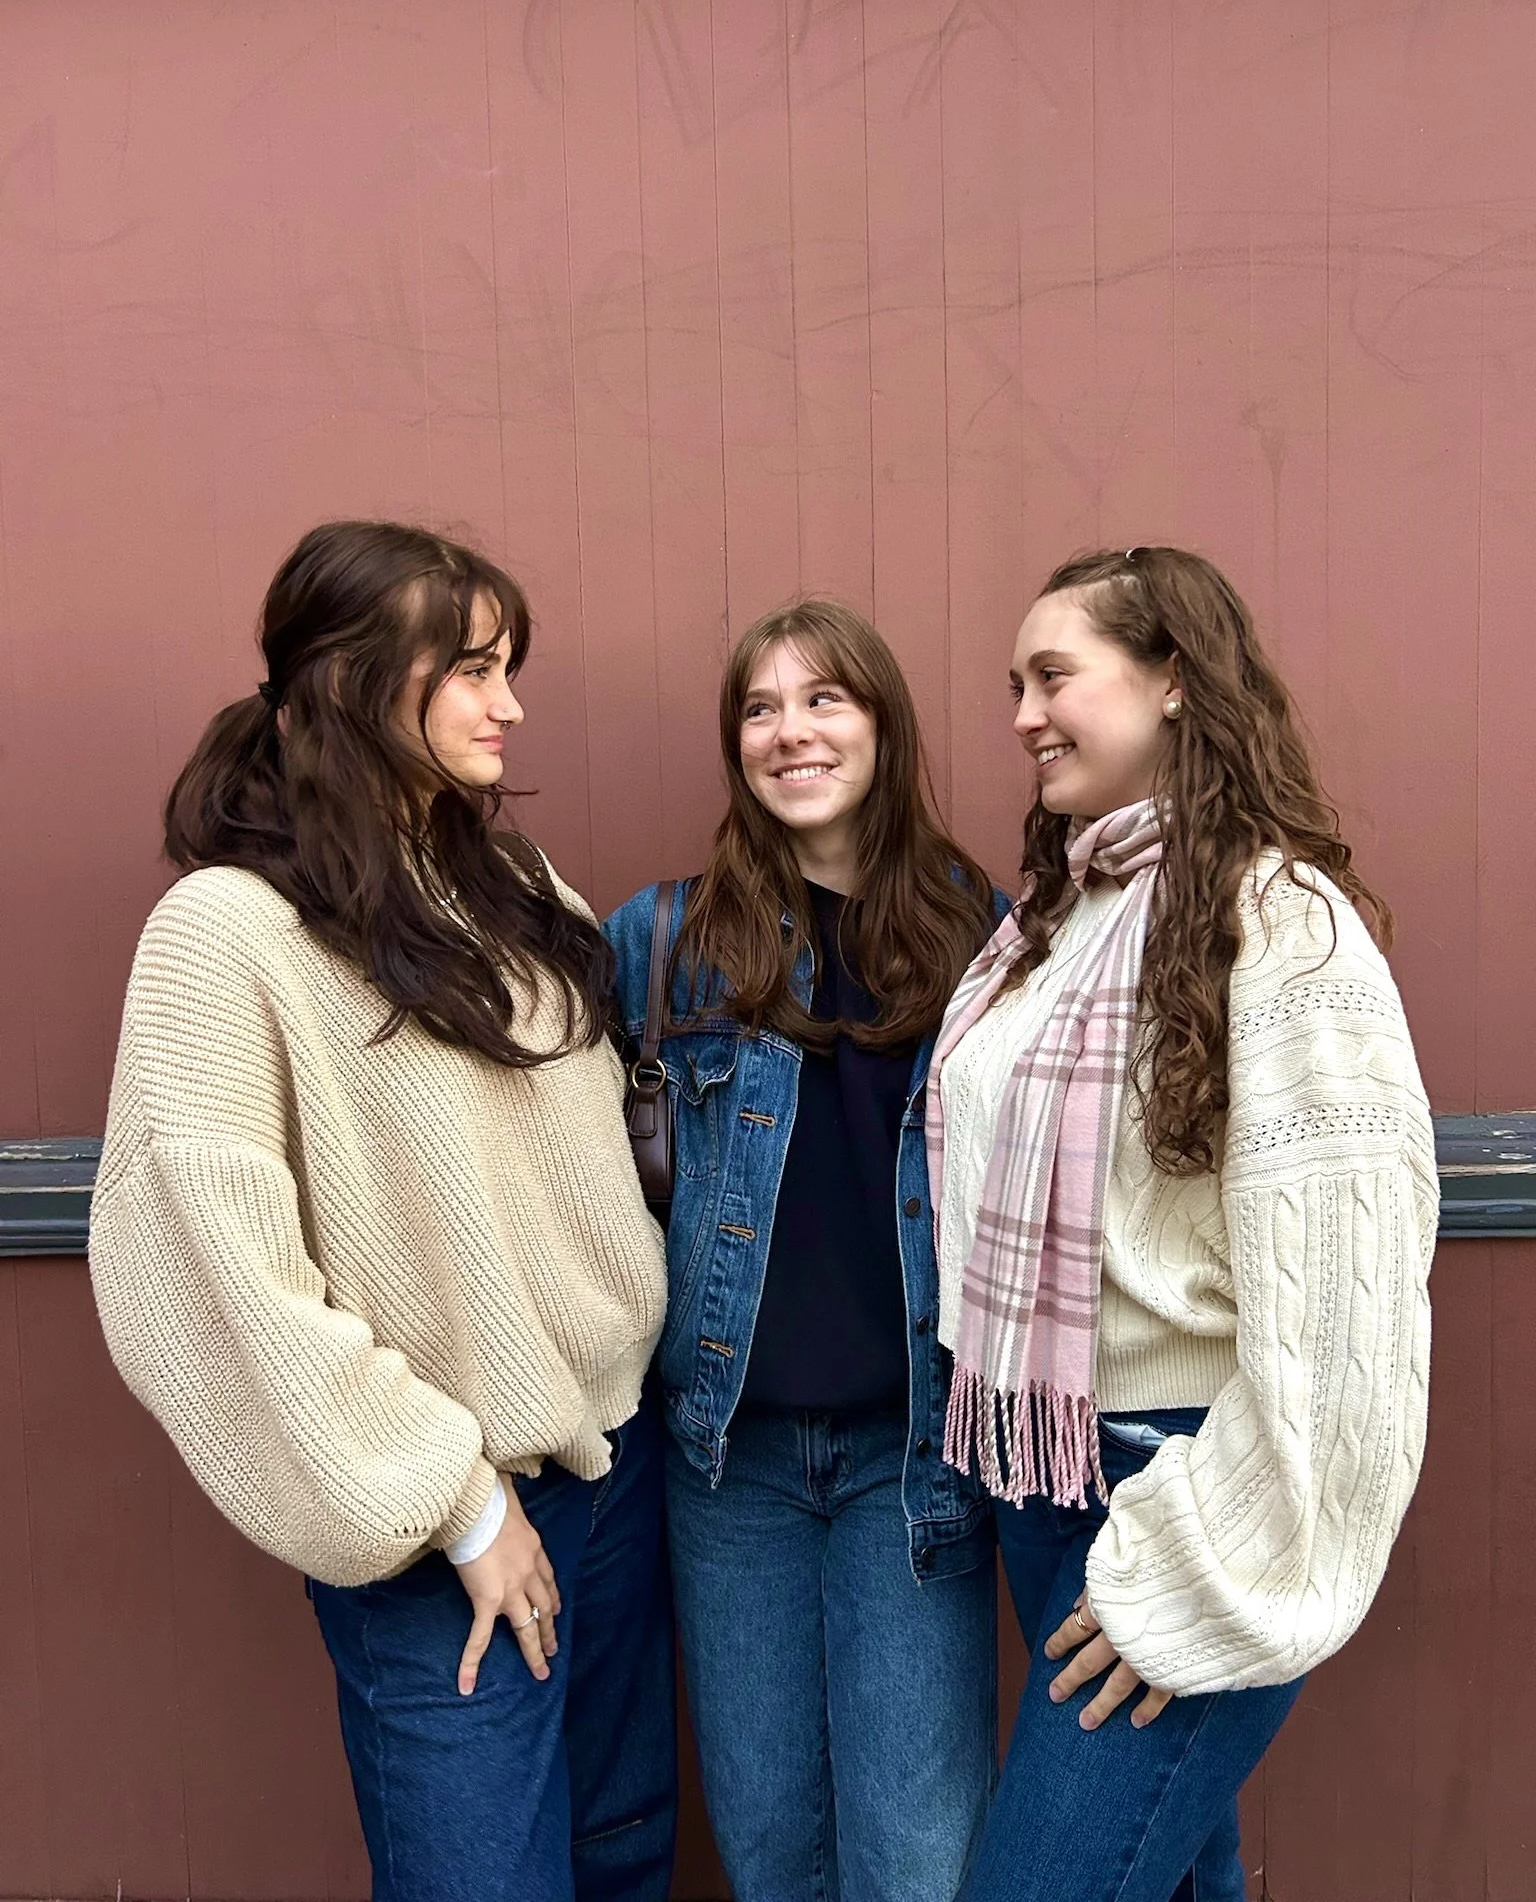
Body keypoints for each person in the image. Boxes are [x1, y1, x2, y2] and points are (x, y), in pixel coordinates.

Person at [88, 520, 674, 1902]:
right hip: (427, 1529)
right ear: (354, 678)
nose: (510, 706)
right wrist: (460, 1507)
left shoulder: (522, 893)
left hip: (615, 1469)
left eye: (508, 667)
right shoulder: (227, 932)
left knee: (622, 1854)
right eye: (471, 669)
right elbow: (207, 1275)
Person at [928, 546, 1438, 1902]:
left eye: (1055, 677)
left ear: (1169, 682)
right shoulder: (1054, 924)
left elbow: (1347, 1324)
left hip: (1192, 1494)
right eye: (1014, 685)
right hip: (1042, 1478)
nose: (1024, 713)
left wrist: (1202, 1568)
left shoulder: (1283, 928)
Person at [605, 598, 1007, 1902]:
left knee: (917, 1857)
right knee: (772, 1847)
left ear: (883, 723)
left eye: (825, 699)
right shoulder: (662, 942)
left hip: (917, 1459)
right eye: (761, 708)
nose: (792, 731)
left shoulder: (982, 936)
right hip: (730, 1466)